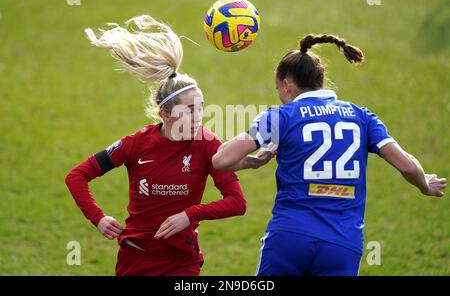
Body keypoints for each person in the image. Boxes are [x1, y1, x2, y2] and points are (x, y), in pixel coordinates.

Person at [211, 34, 447, 276]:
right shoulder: (362, 116)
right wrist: (424, 185)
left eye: (278, 89)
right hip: (343, 244)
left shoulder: (280, 117)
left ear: (286, 84)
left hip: (290, 236)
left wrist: (253, 162)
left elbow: (221, 160)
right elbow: (407, 166)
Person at [65, 15, 247, 276]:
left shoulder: (208, 145)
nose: (198, 117)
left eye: (201, 108)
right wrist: (99, 218)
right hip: (135, 257)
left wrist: (190, 214)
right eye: (189, 110)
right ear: (165, 114)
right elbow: (77, 176)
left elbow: (237, 203)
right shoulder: (135, 144)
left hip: (181, 261)